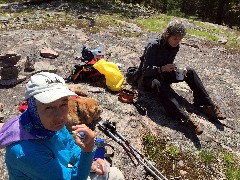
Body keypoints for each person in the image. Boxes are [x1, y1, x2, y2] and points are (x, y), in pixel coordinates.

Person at [0, 72, 124, 180]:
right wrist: (87, 152)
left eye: (63, 104)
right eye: (48, 107)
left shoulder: (45, 126)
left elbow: (69, 146)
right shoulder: (25, 152)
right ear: (33, 108)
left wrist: (91, 160)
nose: (60, 116)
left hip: (56, 171)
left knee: (114, 174)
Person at [140, 20, 226, 135]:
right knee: (158, 84)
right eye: (175, 38)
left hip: (162, 74)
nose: (177, 42)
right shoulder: (154, 45)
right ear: (168, 35)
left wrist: (176, 69)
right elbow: (145, 71)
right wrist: (161, 69)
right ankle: (184, 118)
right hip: (147, 79)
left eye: (180, 39)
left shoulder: (174, 47)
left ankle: (206, 104)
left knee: (189, 71)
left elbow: (168, 64)